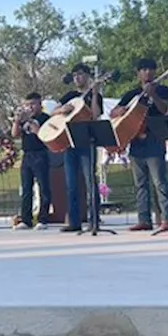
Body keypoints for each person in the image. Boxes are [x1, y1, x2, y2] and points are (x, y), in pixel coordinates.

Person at [110, 58, 168, 231]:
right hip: (136, 142)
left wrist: (153, 94)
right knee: (140, 184)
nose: (147, 72)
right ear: (138, 73)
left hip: (154, 140)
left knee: (159, 182)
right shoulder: (132, 94)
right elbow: (113, 112)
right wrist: (119, 111)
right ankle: (144, 219)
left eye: (150, 69)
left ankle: (167, 219)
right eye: (144, 69)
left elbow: (165, 110)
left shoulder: (162, 90)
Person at [55, 63, 104, 232]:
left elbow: (96, 115)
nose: (77, 78)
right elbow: (53, 112)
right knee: (71, 185)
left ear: (88, 76)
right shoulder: (70, 95)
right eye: (75, 75)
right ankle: (74, 221)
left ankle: (94, 219)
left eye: (81, 74)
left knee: (90, 181)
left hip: (87, 143)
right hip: (70, 143)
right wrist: (63, 109)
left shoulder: (94, 95)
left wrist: (96, 93)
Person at [11, 92, 51, 230]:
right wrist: (17, 120)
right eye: (27, 104)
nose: (30, 107)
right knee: (26, 188)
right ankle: (26, 219)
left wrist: (31, 121)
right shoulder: (23, 119)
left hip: (41, 154)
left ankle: (43, 219)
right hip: (27, 155)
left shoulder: (45, 118)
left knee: (43, 187)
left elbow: (42, 135)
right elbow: (14, 134)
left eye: (33, 104)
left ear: (40, 104)